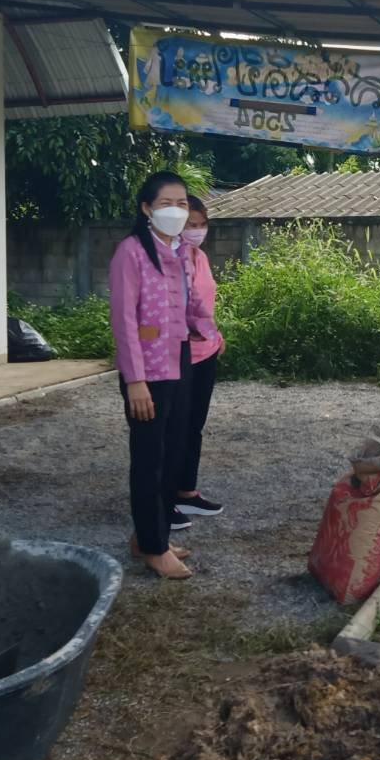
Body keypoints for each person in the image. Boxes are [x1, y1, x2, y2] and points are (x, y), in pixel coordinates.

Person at [108, 172, 216, 580]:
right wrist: (135, 380)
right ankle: (153, 548)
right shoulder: (131, 253)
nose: (177, 211)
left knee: (173, 452)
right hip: (147, 371)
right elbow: (124, 320)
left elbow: (193, 306)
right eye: (167, 203)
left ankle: (150, 536)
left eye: (182, 203)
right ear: (146, 208)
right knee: (149, 458)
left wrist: (208, 332)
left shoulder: (180, 252)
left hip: (180, 360)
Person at [176, 194, 225, 522]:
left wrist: (215, 335)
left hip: (206, 351)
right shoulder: (172, 258)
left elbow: (202, 304)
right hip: (180, 353)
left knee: (194, 426)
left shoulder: (201, 257)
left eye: (202, 224)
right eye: (191, 225)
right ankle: (166, 498)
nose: (197, 230)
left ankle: (187, 492)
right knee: (175, 427)